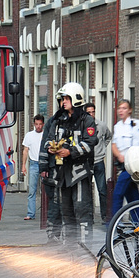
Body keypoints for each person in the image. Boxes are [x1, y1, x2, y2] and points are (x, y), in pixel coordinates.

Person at [39, 82, 98, 245]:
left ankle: (85, 249)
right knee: (66, 213)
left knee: (82, 211)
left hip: (79, 174)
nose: (63, 102)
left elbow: (90, 142)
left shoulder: (87, 121)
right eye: (62, 99)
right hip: (61, 175)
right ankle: (70, 248)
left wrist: (70, 151)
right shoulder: (57, 121)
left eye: (66, 98)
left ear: (76, 99)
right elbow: (48, 139)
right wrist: (51, 148)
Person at [110, 99, 139, 216]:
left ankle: (113, 223)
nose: (121, 111)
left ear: (130, 110)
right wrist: (119, 155)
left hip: (133, 165)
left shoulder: (136, 125)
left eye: (124, 108)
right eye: (119, 108)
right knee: (132, 197)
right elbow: (113, 145)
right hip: (123, 165)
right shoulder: (117, 127)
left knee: (118, 193)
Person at [84, 102, 112, 224]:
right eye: (89, 112)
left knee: (102, 190)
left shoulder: (101, 125)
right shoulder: (82, 125)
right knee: (87, 191)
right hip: (87, 162)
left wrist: (103, 148)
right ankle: (89, 217)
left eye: (93, 112)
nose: (91, 114)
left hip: (99, 161)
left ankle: (104, 216)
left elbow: (108, 137)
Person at [22, 114, 45, 220]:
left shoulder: (46, 135)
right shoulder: (29, 135)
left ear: (43, 124)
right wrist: (23, 165)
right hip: (34, 164)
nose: (38, 126)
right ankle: (30, 213)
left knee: (46, 190)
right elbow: (25, 150)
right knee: (32, 190)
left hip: (44, 164)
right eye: (36, 124)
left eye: (40, 124)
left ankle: (47, 214)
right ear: (34, 124)